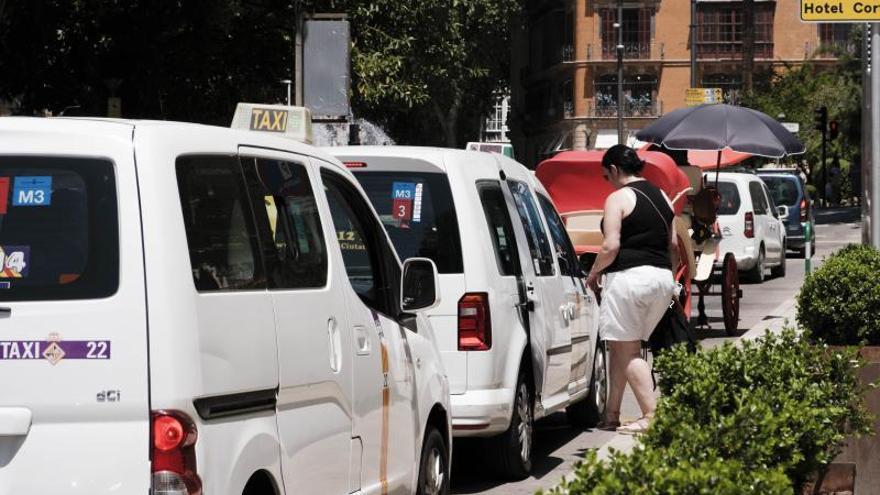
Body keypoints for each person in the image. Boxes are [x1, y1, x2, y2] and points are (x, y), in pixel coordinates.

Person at [585, 144, 678, 435]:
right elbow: (673, 245)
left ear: (614, 170)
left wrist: (594, 273)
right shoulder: (662, 195)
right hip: (661, 279)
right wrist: (671, 279)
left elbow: (611, 245)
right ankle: (612, 413)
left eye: (605, 176)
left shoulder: (617, 198)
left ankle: (651, 415)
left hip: (628, 280)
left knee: (627, 349)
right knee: (620, 346)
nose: (607, 182)